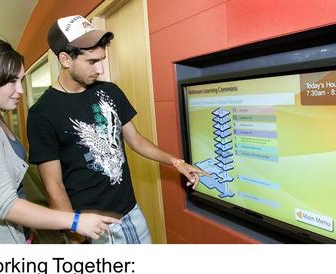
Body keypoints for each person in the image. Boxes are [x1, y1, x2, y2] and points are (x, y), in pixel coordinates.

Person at [27, 15, 206, 244]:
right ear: (65, 59)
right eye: (92, 61)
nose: (100, 69)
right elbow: (53, 184)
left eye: (102, 60)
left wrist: (177, 163)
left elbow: (136, 140)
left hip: (131, 215)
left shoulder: (110, 91)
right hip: (91, 228)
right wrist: (74, 232)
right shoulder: (42, 113)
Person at [0, 37, 119, 244]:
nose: (20, 90)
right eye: (12, 81)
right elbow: (5, 205)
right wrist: (74, 221)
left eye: (20, 80)